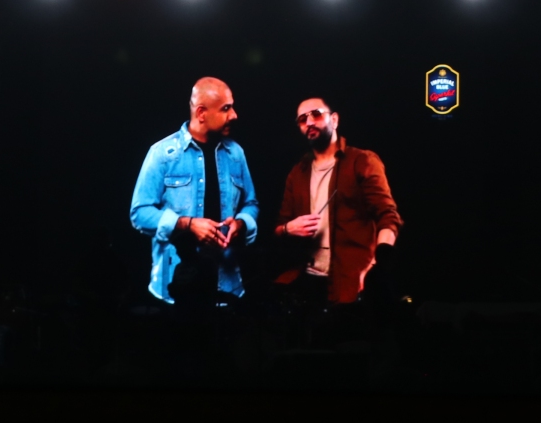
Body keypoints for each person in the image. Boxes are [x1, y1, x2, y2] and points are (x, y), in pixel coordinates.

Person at [130, 77, 259, 305]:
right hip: (175, 291)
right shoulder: (162, 153)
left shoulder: (236, 154)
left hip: (227, 288)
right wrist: (187, 224)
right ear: (201, 113)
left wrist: (241, 223)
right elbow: (139, 213)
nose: (234, 115)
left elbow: (251, 204)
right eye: (226, 108)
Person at [274, 96, 403, 305]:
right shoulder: (297, 173)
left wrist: (376, 267)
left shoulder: (361, 161)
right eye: (302, 119)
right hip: (306, 283)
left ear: (334, 120)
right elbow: (278, 228)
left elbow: (388, 216)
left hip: (350, 283)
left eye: (316, 114)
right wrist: (289, 228)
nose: (309, 122)